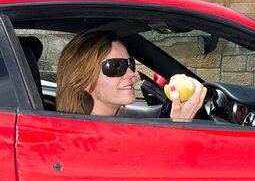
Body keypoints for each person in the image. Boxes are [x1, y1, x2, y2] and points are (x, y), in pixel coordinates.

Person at [56, 30, 206, 120]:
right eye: (116, 66)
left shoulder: (111, 126)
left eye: (130, 64)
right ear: (83, 81)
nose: (131, 73)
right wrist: (180, 126)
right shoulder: (86, 137)